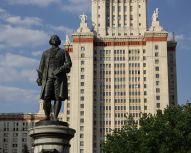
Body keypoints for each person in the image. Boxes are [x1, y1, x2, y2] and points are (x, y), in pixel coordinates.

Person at [37, 35, 72, 120]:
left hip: (59, 78)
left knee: (58, 97)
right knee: (46, 97)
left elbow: (69, 63)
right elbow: (41, 67)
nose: (54, 39)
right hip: (48, 78)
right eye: (53, 38)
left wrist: (60, 69)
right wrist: (39, 77)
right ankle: (47, 116)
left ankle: (55, 117)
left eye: (56, 38)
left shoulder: (63, 52)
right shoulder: (45, 53)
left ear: (59, 41)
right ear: (50, 41)